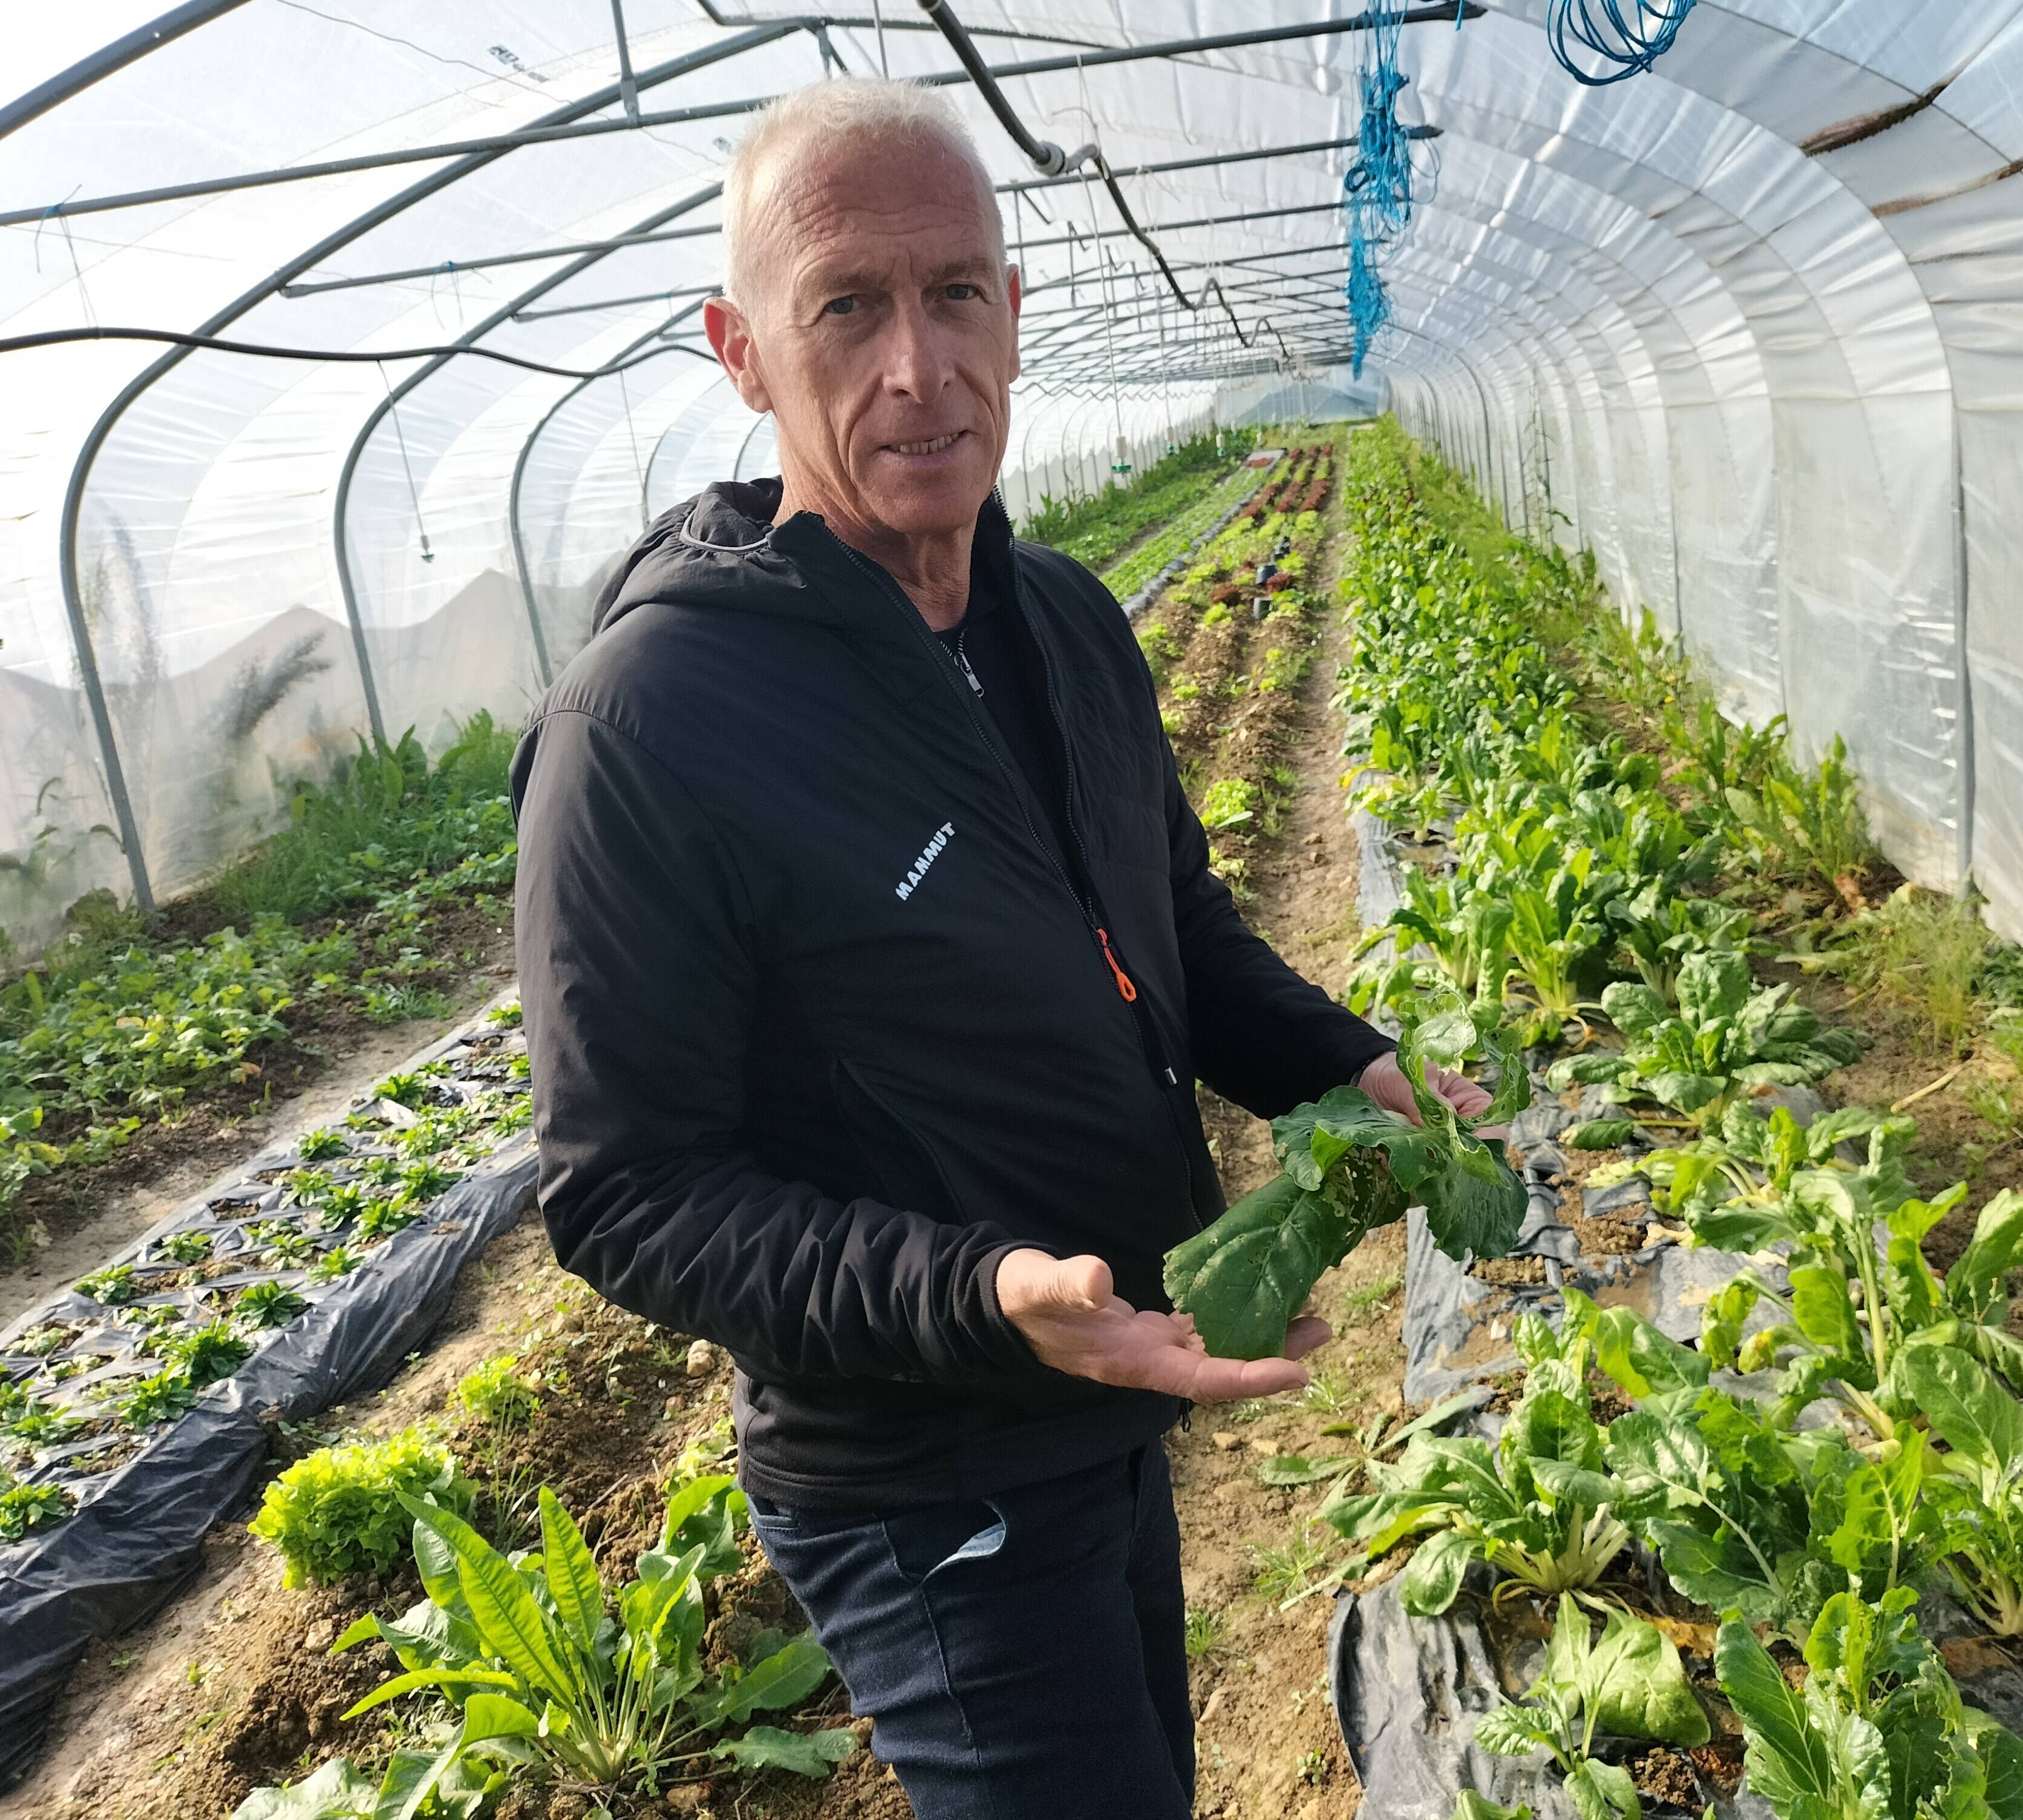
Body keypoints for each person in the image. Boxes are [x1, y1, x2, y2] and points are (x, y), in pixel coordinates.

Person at [510, 76, 1487, 1819]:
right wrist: (977, 1297)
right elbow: (627, 1190)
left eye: (955, 292)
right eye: (847, 309)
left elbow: (1168, 927)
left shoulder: (1065, 622)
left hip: (1108, 1387)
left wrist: (1347, 1063)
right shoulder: (650, 724)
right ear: (740, 352)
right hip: (923, 1476)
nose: (916, 368)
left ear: (1014, 313)